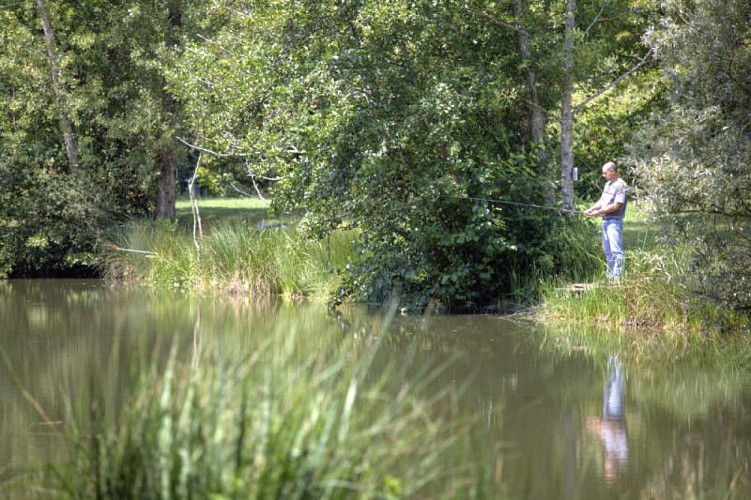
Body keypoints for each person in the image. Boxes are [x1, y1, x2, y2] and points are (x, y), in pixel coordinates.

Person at [584, 161, 627, 279]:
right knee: (608, 252)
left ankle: (617, 279)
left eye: (605, 173)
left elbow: (616, 205)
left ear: (612, 171)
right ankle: (610, 278)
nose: (603, 175)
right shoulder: (607, 185)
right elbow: (602, 201)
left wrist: (599, 212)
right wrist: (591, 209)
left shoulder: (620, 185)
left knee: (616, 252)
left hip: (614, 222)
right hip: (605, 222)